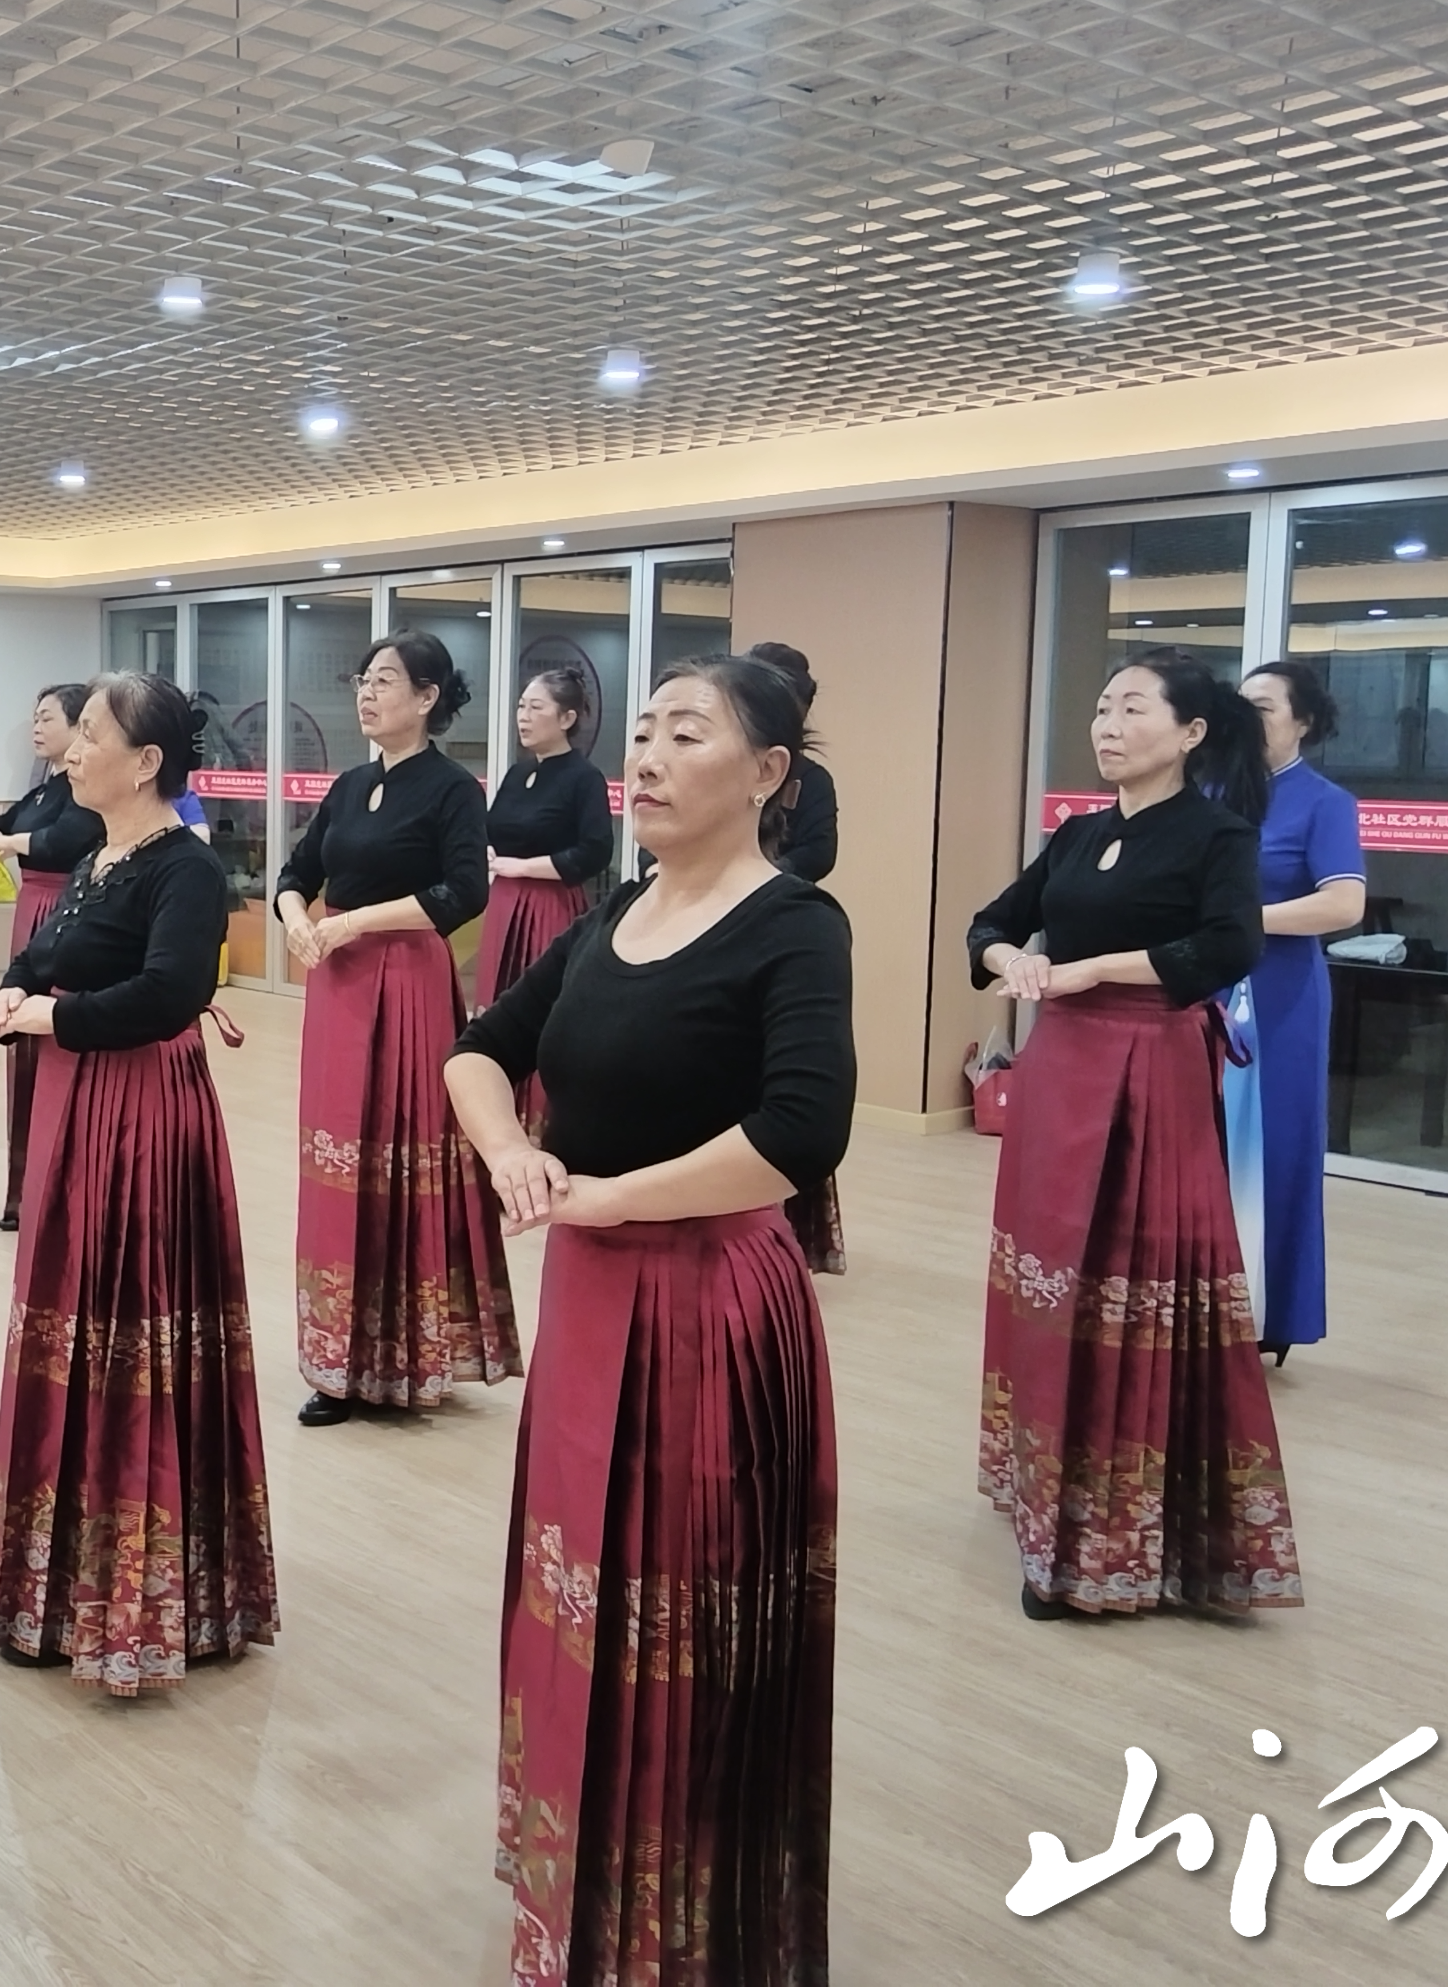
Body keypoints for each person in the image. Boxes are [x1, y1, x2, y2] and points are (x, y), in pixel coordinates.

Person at [448, 655, 850, 1987]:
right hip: (588, 1294)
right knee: (578, 1587)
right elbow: (479, 1047)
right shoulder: (614, 913)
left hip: (705, 1306)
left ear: (767, 773)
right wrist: (512, 1150)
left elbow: (800, 1130)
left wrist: (612, 1196)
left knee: (683, 1616)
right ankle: (582, 1883)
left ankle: (680, 1920)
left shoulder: (794, 924)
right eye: (643, 733)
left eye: (688, 733)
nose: (651, 758)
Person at [969, 656, 1302, 1619]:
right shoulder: (1079, 834)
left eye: (1132, 708)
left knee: (1128, 1284)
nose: (1108, 725)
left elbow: (1230, 945)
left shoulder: (1216, 834)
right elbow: (993, 922)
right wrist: (1011, 959)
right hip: (1060, 1074)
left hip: (1150, 1070)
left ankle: (1113, 1537)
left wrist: (1089, 970)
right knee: (1050, 1277)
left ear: (1191, 732)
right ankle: (1050, 1494)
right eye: (1102, 707)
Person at [0, 671, 277, 1692]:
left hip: (139, 1112)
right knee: (70, 1319)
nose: (70, 750)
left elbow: (166, 992)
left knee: (128, 1324)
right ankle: (64, 1574)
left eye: (91, 734)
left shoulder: (185, 867)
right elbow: (49, 952)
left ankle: (143, 1584)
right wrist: (11, 989)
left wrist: (51, 1015)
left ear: (146, 761)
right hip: (76, 1101)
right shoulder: (99, 855)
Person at [275, 629, 518, 1425]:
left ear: (427, 698)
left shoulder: (452, 789)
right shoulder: (350, 785)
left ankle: (404, 1352)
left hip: (407, 979)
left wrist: (353, 923)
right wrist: (295, 918)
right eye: (363, 679)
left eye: (385, 680)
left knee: (399, 1156)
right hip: (339, 985)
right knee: (336, 1157)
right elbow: (297, 872)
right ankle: (336, 1357)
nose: (367, 693)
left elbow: (463, 892)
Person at [1234, 661, 1366, 1363]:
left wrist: (1240, 919)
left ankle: (1270, 1314)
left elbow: (1343, 904)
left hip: (1280, 995)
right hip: (1201, 985)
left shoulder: (1323, 802)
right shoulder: (1208, 791)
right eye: (1240, 704)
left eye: (1264, 706)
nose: (1248, 717)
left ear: (1303, 722)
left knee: (1277, 1147)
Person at [0, 683, 103, 1229]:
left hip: (60, 904)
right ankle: (24, 1194)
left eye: (48, 718)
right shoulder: (47, 786)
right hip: (33, 905)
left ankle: (57, 1189)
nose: (37, 726)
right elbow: (12, 820)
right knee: (21, 1043)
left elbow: (62, 841)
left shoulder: (85, 791)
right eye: (35, 717)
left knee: (52, 1039)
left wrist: (4, 843)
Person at [476, 667, 614, 1131]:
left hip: (549, 904)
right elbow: (493, 830)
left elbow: (595, 850)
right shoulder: (518, 773)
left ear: (567, 718)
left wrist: (524, 867)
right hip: (504, 902)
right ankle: (496, 1114)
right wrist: (491, 853)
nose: (524, 716)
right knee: (496, 1005)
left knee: (541, 1007)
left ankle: (541, 1121)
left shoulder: (584, 777)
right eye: (521, 706)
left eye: (536, 707)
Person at [745, 640, 846, 1274]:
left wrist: (752, 881)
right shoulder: (725, 762)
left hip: (776, 919)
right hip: (710, 911)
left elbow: (819, 853)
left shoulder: (813, 779)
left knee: (777, 1073)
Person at [744, 642, 839, 883]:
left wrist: (760, 879)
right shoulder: (714, 764)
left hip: (774, 894)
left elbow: (819, 852)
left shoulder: (812, 779)